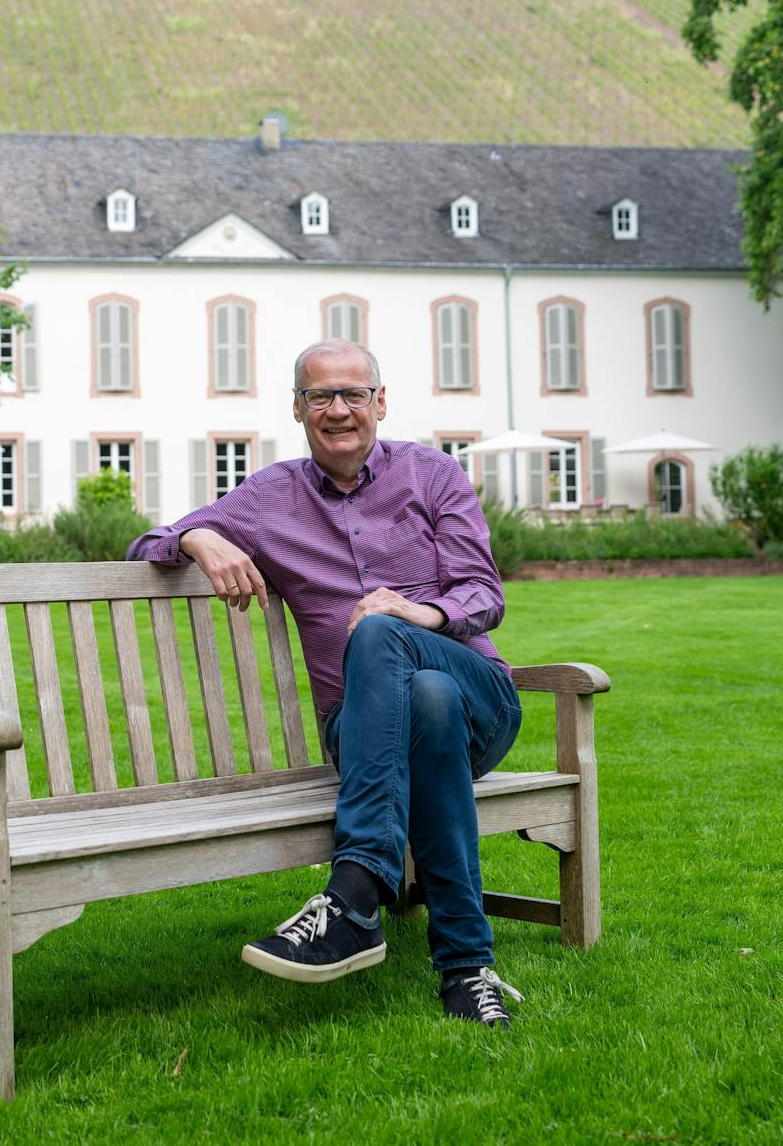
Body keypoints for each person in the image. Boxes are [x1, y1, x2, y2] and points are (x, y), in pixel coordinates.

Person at [125, 339, 526, 1027]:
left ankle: (354, 891)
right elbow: (148, 543)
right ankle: (467, 967)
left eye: (352, 394)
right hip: (369, 729)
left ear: (380, 402)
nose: (338, 409)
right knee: (420, 704)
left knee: (385, 639)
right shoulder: (270, 497)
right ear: (298, 408)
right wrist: (199, 539)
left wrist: (415, 612)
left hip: (477, 704)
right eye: (320, 396)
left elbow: (483, 593)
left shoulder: (432, 475)